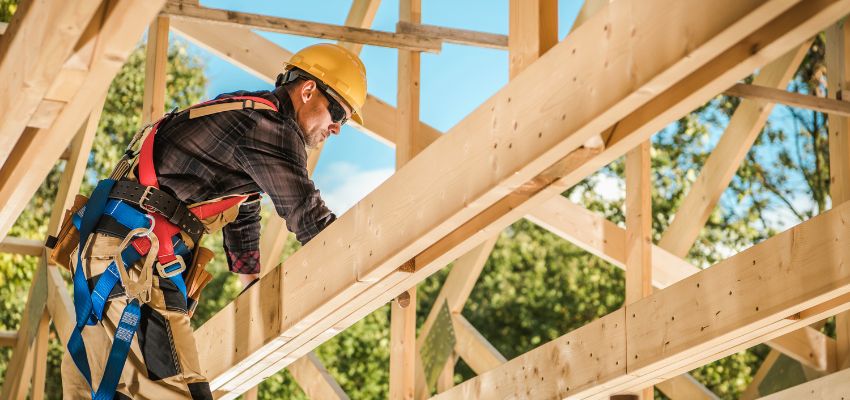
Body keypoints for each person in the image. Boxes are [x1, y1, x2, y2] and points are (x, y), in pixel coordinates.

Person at [58, 43, 367, 399]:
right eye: (338, 115)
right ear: (308, 90)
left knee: (97, 389)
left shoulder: (247, 112)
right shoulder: (271, 127)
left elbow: (245, 207)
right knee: (181, 391)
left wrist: (252, 282)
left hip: (115, 256)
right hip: (133, 264)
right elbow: (309, 216)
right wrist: (375, 256)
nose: (337, 128)